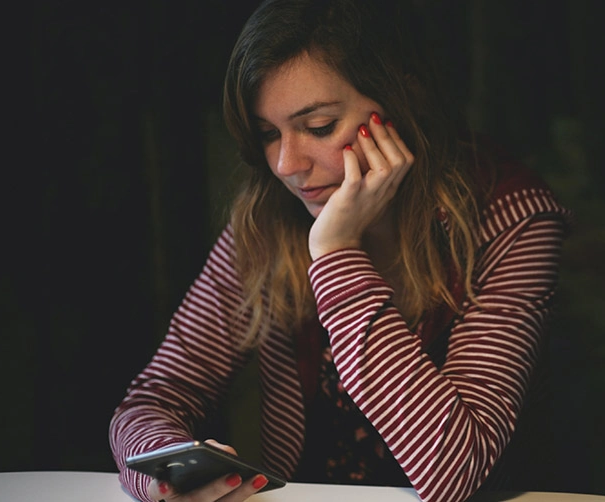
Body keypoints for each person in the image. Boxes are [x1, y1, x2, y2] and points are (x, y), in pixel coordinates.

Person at [109, 0, 571, 501]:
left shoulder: (512, 218)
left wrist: (334, 252)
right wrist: (165, 479)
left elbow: (453, 474)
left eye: (319, 126)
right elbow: (153, 398)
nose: (286, 164)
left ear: (402, 97)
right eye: (268, 134)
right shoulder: (266, 220)